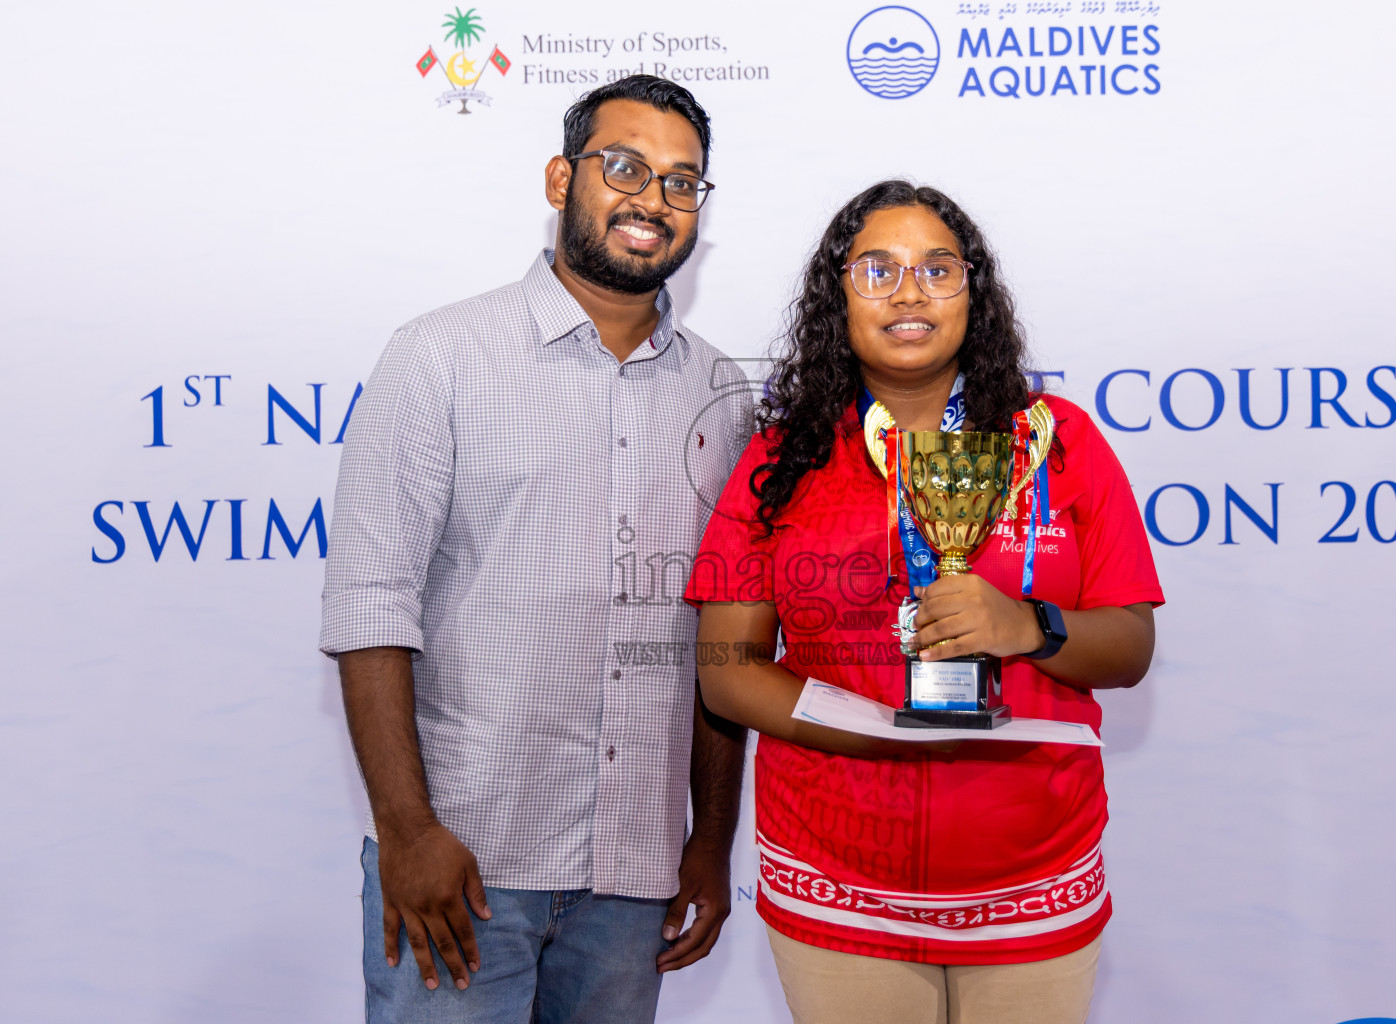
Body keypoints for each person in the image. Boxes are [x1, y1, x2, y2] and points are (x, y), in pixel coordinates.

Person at [320, 75, 753, 1023]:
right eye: (626, 167)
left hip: (633, 877)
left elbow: (726, 641)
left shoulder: (722, 394)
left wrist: (710, 840)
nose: (654, 199)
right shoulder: (439, 356)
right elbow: (370, 605)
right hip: (462, 867)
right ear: (562, 178)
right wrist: (405, 831)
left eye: (683, 182)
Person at [684, 180, 1164, 1024]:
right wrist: (878, 730)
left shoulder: (1060, 441)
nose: (909, 291)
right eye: (877, 269)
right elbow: (728, 671)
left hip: (1035, 883)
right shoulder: (781, 457)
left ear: (974, 293)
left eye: (939, 269)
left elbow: (1128, 649)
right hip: (837, 884)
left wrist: (1028, 625)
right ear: (838, 297)